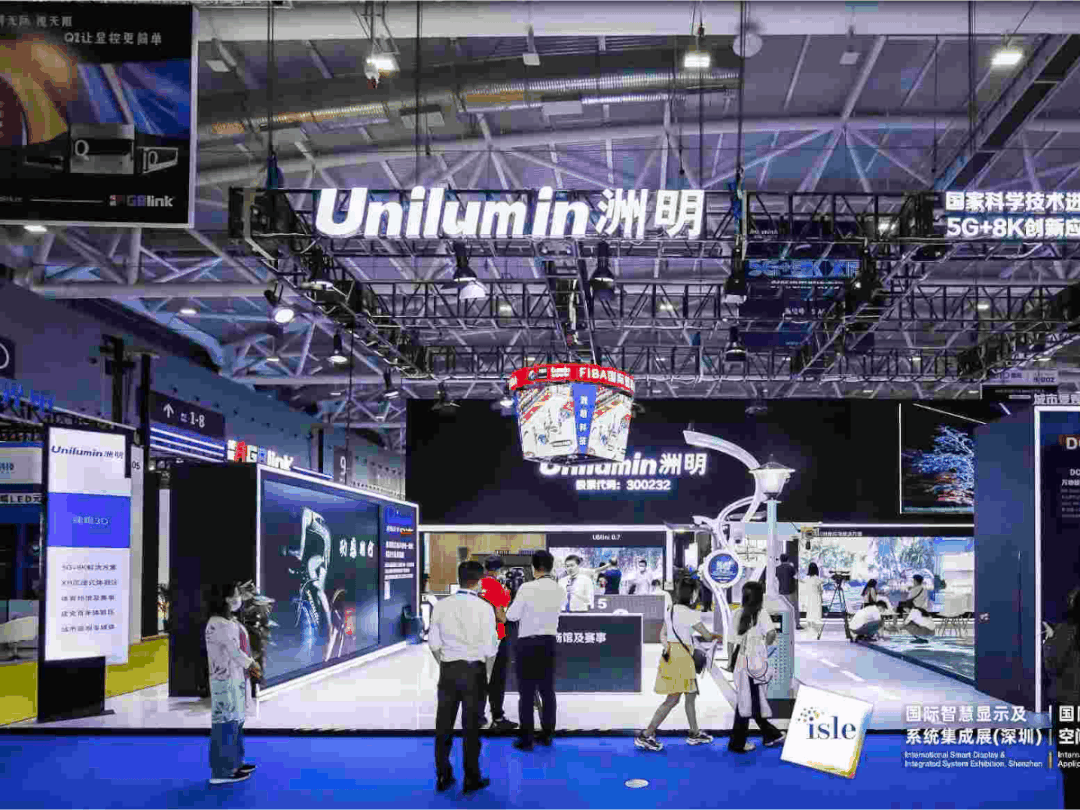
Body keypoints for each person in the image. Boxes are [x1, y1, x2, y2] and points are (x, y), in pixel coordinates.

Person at [429, 561, 496, 794]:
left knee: (443, 726)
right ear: (479, 582)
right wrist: (486, 674)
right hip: (474, 672)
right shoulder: (485, 608)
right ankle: (471, 778)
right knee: (472, 727)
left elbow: (433, 644)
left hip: (449, 671)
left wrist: (445, 665)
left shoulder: (441, 606)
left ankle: (443, 776)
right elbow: (490, 649)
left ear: (459, 579)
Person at [635, 580, 721, 751]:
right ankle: (646, 735)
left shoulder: (671, 610)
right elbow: (707, 635)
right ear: (692, 595)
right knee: (673, 699)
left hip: (673, 656)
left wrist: (668, 646)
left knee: (690, 695)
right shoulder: (690, 614)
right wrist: (721, 636)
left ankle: (694, 733)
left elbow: (662, 634)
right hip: (683, 659)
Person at [506, 550, 563, 751]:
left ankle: (527, 739)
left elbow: (512, 616)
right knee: (547, 690)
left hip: (528, 644)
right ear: (551, 567)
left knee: (527, 692)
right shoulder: (559, 589)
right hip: (549, 642)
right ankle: (547, 735)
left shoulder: (526, 588)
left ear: (533, 567)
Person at [205, 582, 260, 785]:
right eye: (237, 594)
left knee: (236, 722)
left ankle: (235, 763)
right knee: (225, 725)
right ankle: (222, 771)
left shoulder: (229, 620)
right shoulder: (216, 623)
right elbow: (234, 650)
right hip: (224, 681)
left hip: (236, 679)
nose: (240, 598)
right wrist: (252, 664)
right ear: (227, 599)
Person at [726, 581, 785, 753]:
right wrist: (764, 645)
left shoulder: (736, 613)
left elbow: (730, 641)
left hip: (740, 661)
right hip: (755, 662)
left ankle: (770, 734)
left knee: (749, 699)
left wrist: (730, 662)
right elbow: (771, 633)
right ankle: (738, 743)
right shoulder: (761, 613)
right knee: (749, 700)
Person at [1043, 588, 1080, 810]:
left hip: (1069, 708)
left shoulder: (1067, 631)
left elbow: (1053, 665)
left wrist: (1050, 640)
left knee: (1072, 769)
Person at [478, 556, 518, 732]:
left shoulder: (477, 584)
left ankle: (478, 717)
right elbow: (500, 615)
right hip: (497, 637)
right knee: (497, 679)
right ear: (499, 570)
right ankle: (498, 717)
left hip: (479, 638)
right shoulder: (495, 585)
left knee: (480, 678)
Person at [776, 553, 801, 630]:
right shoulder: (790, 567)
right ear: (787, 559)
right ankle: (797, 625)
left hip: (781, 592)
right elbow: (796, 577)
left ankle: (785, 625)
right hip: (791, 591)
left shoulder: (777, 568)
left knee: (783, 609)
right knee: (795, 608)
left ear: (780, 560)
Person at [803, 563, 825, 637]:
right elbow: (820, 590)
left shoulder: (806, 579)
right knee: (817, 613)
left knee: (810, 612)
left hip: (809, 597)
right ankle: (817, 630)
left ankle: (810, 629)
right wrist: (822, 598)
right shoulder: (818, 579)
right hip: (816, 597)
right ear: (816, 569)